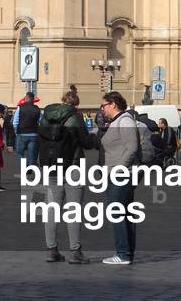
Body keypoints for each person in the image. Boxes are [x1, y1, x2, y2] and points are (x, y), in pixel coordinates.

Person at [37, 84, 98, 264]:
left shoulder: (46, 116)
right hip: (72, 167)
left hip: (51, 166)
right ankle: (75, 252)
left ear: (62, 101)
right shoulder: (75, 117)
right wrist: (95, 138)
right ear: (76, 105)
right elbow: (86, 142)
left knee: (51, 209)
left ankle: (51, 249)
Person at [98, 91, 139, 266]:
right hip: (118, 173)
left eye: (104, 105)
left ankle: (123, 253)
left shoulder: (125, 120)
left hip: (121, 175)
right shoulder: (118, 121)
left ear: (113, 104)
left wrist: (118, 169)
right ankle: (127, 253)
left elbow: (132, 148)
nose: (102, 109)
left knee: (115, 212)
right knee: (124, 213)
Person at [14, 91, 40, 166]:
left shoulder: (20, 108)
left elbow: (15, 122)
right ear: (33, 99)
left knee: (19, 153)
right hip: (34, 134)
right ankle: (30, 168)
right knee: (31, 153)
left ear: (26, 98)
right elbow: (40, 121)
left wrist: (16, 132)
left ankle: (24, 166)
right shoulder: (37, 109)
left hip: (21, 133)